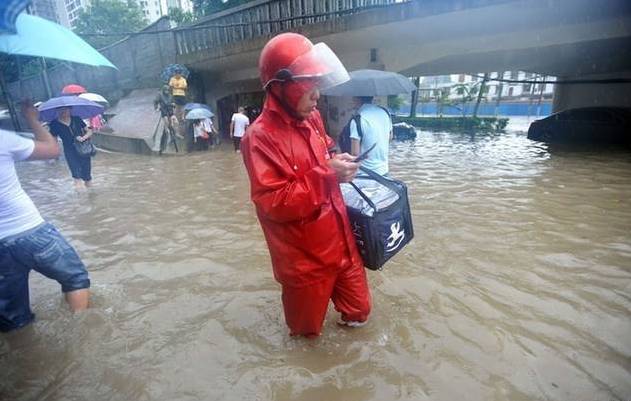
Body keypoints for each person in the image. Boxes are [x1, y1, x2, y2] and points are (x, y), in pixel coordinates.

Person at [241, 33, 371, 338]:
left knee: (360, 313)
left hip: (342, 244)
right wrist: (328, 174)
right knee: (305, 336)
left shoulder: (312, 119)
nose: (317, 95)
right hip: (305, 261)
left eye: (318, 85)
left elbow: (326, 150)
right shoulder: (258, 138)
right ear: (280, 85)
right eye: (308, 85)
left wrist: (339, 158)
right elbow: (273, 203)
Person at [0, 102, 91, 332]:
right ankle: (83, 332)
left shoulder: (77, 121)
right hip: (29, 229)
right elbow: (51, 149)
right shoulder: (4, 139)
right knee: (75, 278)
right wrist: (31, 118)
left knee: (13, 316)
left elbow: (86, 131)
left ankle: (23, 350)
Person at [48, 107, 94, 189]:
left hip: (83, 150)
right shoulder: (54, 123)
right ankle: (81, 199)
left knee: (87, 176)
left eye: (66, 109)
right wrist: (54, 154)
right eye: (61, 109)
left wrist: (83, 138)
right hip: (70, 152)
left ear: (70, 109)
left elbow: (89, 131)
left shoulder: (77, 119)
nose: (63, 111)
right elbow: (53, 140)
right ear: (57, 111)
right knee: (76, 175)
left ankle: (91, 197)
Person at [349, 96, 393, 176]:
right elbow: (390, 138)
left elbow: (355, 154)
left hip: (364, 175)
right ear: (371, 98)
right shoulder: (385, 112)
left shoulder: (357, 120)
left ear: (356, 98)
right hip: (384, 172)